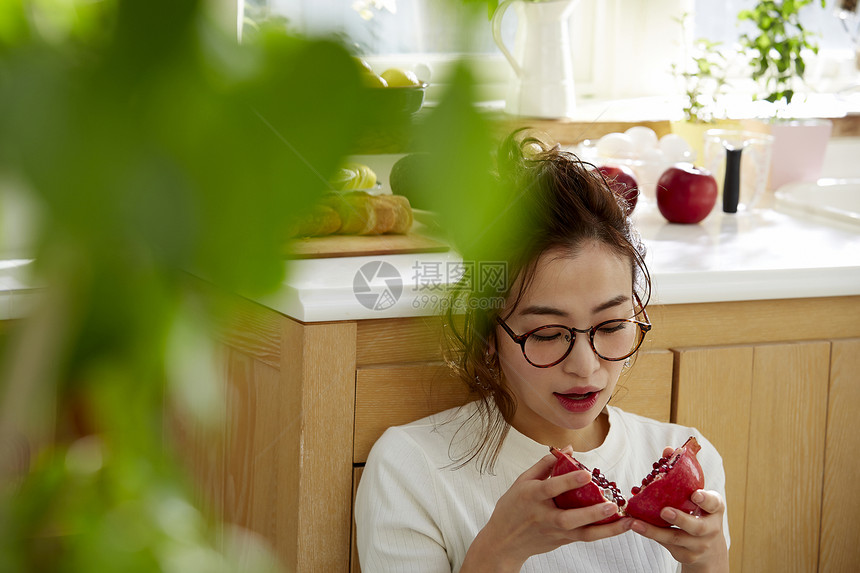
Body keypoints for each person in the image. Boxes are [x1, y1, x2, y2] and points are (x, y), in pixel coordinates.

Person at [354, 132, 730, 573]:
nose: (585, 366)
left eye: (611, 326)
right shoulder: (411, 469)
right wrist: (499, 552)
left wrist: (710, 565)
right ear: (489, 338)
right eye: (549, 334)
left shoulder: (689, 459)